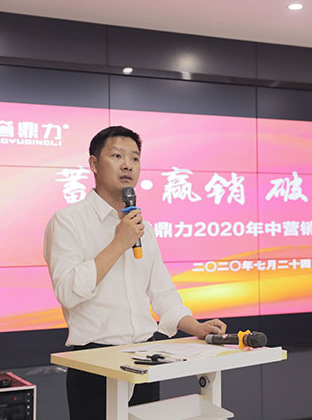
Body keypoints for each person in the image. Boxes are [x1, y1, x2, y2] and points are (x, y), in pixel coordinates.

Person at [43, 125, 227, 419]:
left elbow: (163, 294)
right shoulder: (68, 221)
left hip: (145, 359)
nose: (127, 164)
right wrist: (119, 243)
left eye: (135, 158)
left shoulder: (144, 229)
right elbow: (68, 292)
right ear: (94, 164)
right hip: (94, 361)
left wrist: (196, 327)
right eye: (117, 156)